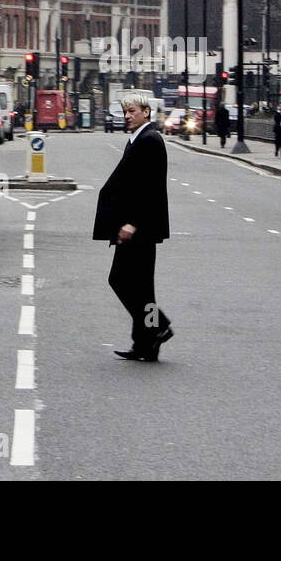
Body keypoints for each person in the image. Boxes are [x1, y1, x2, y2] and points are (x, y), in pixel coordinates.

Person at [92, 93, 172, 362]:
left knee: (121, 280)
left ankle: (158, 326)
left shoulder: (149, 141)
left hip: (140, 228)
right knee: (142, 287)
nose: (127, 116)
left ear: (147, 112)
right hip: (140, 227)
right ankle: (146, 344)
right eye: (125, 111)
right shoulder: (138, 139)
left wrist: (132, 223)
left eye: (133, 111)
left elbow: (148, 190)